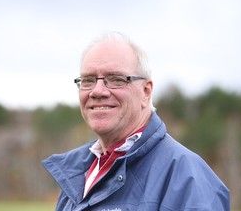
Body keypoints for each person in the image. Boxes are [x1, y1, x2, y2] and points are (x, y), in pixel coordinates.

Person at [42, 31, 230, 210]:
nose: (97, 91)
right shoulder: (78, 176)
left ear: (146, 92)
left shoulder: (188, 179)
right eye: (88, 80)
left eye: (116, 79)